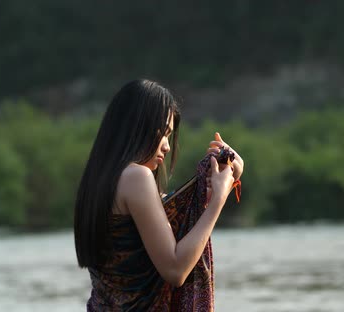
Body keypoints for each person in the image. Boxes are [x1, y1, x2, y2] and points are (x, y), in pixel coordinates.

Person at [73, 79, 244, 311]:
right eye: (163, 133)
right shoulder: (136, 176)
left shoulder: (99, 181)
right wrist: (218, 200)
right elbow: (175, 269)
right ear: (138, 127)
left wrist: (228, 173)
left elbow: (171, 210)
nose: (167, 146)